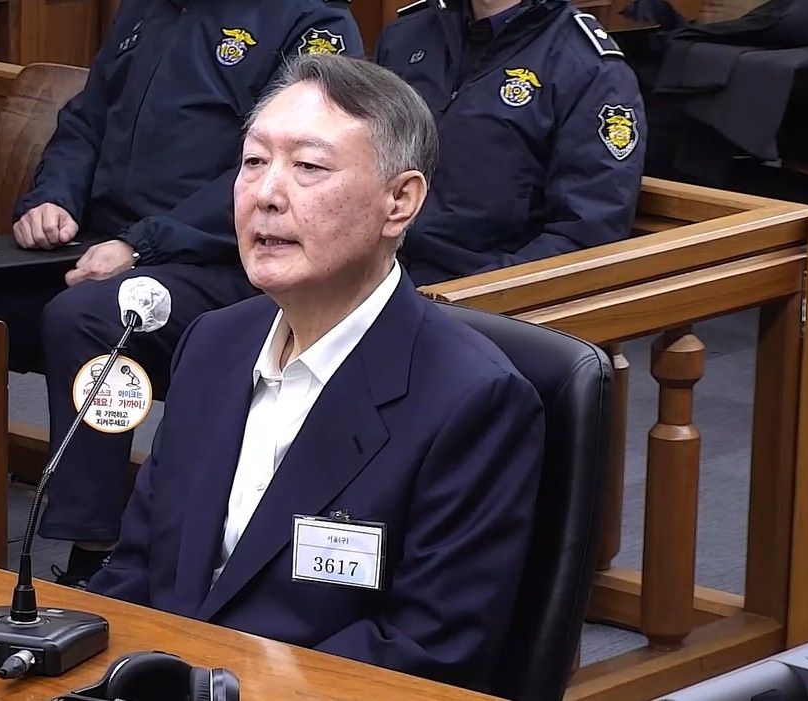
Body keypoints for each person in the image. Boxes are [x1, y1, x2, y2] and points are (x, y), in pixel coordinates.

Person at [88, 53, 545, 691]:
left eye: (308, 167)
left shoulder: (472, 400)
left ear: (400, 202)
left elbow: (426, 651)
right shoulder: (214, 344)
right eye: (254, 162)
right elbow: (138, 569)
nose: (266, 194)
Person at [0, 0, 364, 587]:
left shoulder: (309, 21)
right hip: (99, 246)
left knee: (90, 317)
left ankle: (96, 552)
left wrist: (141, 245)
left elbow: (277, 175)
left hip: (221, 263)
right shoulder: (146, 8)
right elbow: (86, 120)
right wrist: (53, 198)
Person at [375, 0, 647, 284]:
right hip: (374, 272)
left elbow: (586, 233)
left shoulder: (590, 68)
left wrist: (473, 293)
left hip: (480, 285)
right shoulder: (406, 35)